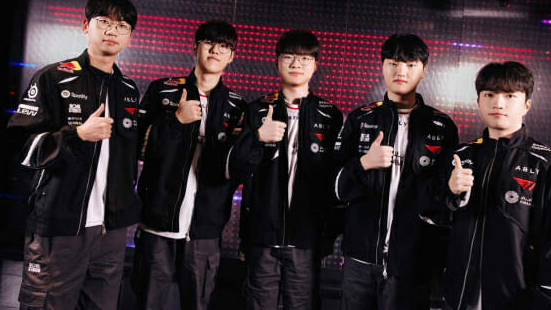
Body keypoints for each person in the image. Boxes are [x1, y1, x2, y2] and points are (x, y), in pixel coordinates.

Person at [6, 0, 141, 309]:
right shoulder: (53, 77)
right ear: (85, 26)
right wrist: (77, 135)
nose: (112, 30)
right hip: (60, 225)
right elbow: (20, 147)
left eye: (122, 26)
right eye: (104, 21)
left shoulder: (128, 90)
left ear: (129, 36)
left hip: (110, 231)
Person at [444, 61, 551, 310]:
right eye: (489, 95)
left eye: (509, 95)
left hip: (519, 299)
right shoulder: (461, 156)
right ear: (478, 102)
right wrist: (450, 192)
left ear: (526, 104)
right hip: (459, 295)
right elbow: (431, 218)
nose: (498, 103)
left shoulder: (549, 165)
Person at [334, 33, 458, 310]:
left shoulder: (442, 127)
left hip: (412, 261)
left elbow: (444, 201)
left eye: (411, 64)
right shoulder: (360, 118)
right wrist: (364, 164)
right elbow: (335, 189)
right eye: (393, 63)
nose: (401, 71)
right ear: (382, 67)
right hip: (360, 259)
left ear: (424, 70)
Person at [132, 20, 246, 309]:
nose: (215, 50)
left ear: (232, 56)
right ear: (195, 47)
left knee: (198, 304)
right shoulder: (163, 90)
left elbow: (237, 169)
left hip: (205, 229)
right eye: (209, 43)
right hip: (157, 223)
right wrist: (176, 122)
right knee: (148, 303)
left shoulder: (238, 106)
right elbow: (138, 148)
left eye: (224, 46)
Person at [229, 30, 343, 310]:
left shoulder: (330, 115)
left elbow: (335, 182)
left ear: (315, 65)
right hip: (263, 237)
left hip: (307, 240)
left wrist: (327, 236)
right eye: (289, 57)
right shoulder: (257, 110)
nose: (296, 64)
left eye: (304, 58)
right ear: (277, 61)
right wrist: (257, 138)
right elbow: (236, 170)